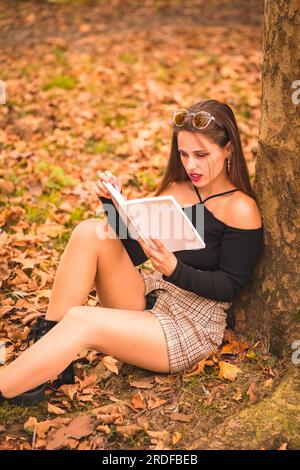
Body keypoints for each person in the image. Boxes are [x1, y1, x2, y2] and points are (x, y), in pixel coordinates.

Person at [0, 99, 263, 406]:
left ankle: (10, 383)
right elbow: (135, 252)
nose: (191, 165)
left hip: (190, 325)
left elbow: (230, 286)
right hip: (152, 295)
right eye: (184, 153)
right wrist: (114, 204)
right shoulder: (176, 190)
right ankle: (46, 350)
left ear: (228, 149)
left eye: (202, 155)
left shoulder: (241, 208)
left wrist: (175, 269)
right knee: (89, 231)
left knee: (83, 320)